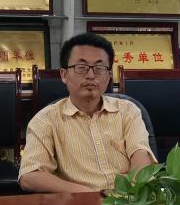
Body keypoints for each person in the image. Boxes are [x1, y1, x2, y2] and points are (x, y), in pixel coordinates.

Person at [18, 32, 155, 193]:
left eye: (99, 68)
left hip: (128, 200)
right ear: (64, 75)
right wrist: (88, 194)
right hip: (79, 202)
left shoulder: (128, 110)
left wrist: (131, 193)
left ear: (109, 76)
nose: (91, 75)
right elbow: (30, 176)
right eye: (81, 68)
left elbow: (141, 156)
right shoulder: (45, 120)